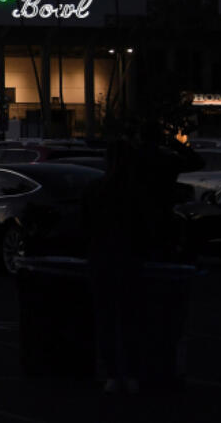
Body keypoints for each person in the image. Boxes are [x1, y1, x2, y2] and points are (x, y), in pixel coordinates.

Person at [82, 140, 146, 394]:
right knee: (130, 319)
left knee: (106, 319)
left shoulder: (96, 190)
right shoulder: (136, 192)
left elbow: (85, 225)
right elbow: (145, 228)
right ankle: (131, 373)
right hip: (129, 260)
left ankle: (111, 373)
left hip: (102, 259)